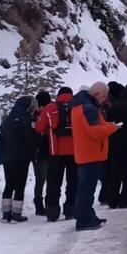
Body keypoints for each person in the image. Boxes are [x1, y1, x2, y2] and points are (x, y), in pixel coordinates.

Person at [71, 82, 118, 232]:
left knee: (85, 189)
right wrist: (113, 127)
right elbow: (94, 131)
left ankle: (88, 216)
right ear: (96, 93)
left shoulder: (81, 106)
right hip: (90, 154)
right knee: (86, 190)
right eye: (103, 96)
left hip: (86, 153)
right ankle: (84, 220)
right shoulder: (88, 108)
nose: (104, 100)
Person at [35, 87, 78, 222]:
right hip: (75, 152)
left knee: (54, 183)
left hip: (55, 151)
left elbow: (39, 127)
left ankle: (52, 212)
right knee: (73, 182)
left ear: (58, 95)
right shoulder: (77, 106)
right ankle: (70, 210)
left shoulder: (50, 108)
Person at [0, 97, 39, 223]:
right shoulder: (26, 120)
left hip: (6, 157)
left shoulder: (6, 120)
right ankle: (16, 214)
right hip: (21, 158)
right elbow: (32, 141)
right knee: (19, 185)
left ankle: (6, 214)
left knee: (9, 185)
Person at [104, 83, 127, 209]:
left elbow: (107, 122)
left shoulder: (114, 106)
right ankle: (125, 200)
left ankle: (112, 200)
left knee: (115, 171)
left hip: (115, 142)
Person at [98, 82, 124, 206]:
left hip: (103, 140)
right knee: (110, 169)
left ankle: (105, 195)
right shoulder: (112, 107)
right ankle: (107, 195)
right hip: (111, 140)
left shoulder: (101, 106)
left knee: (106, 169)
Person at [32, 90, 52, 216]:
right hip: (47, 151)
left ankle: (41, 205)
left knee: (41, 179)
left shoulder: (34, 115)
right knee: (44, 179)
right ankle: (43, 204)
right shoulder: (49, 113)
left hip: (40, 151)